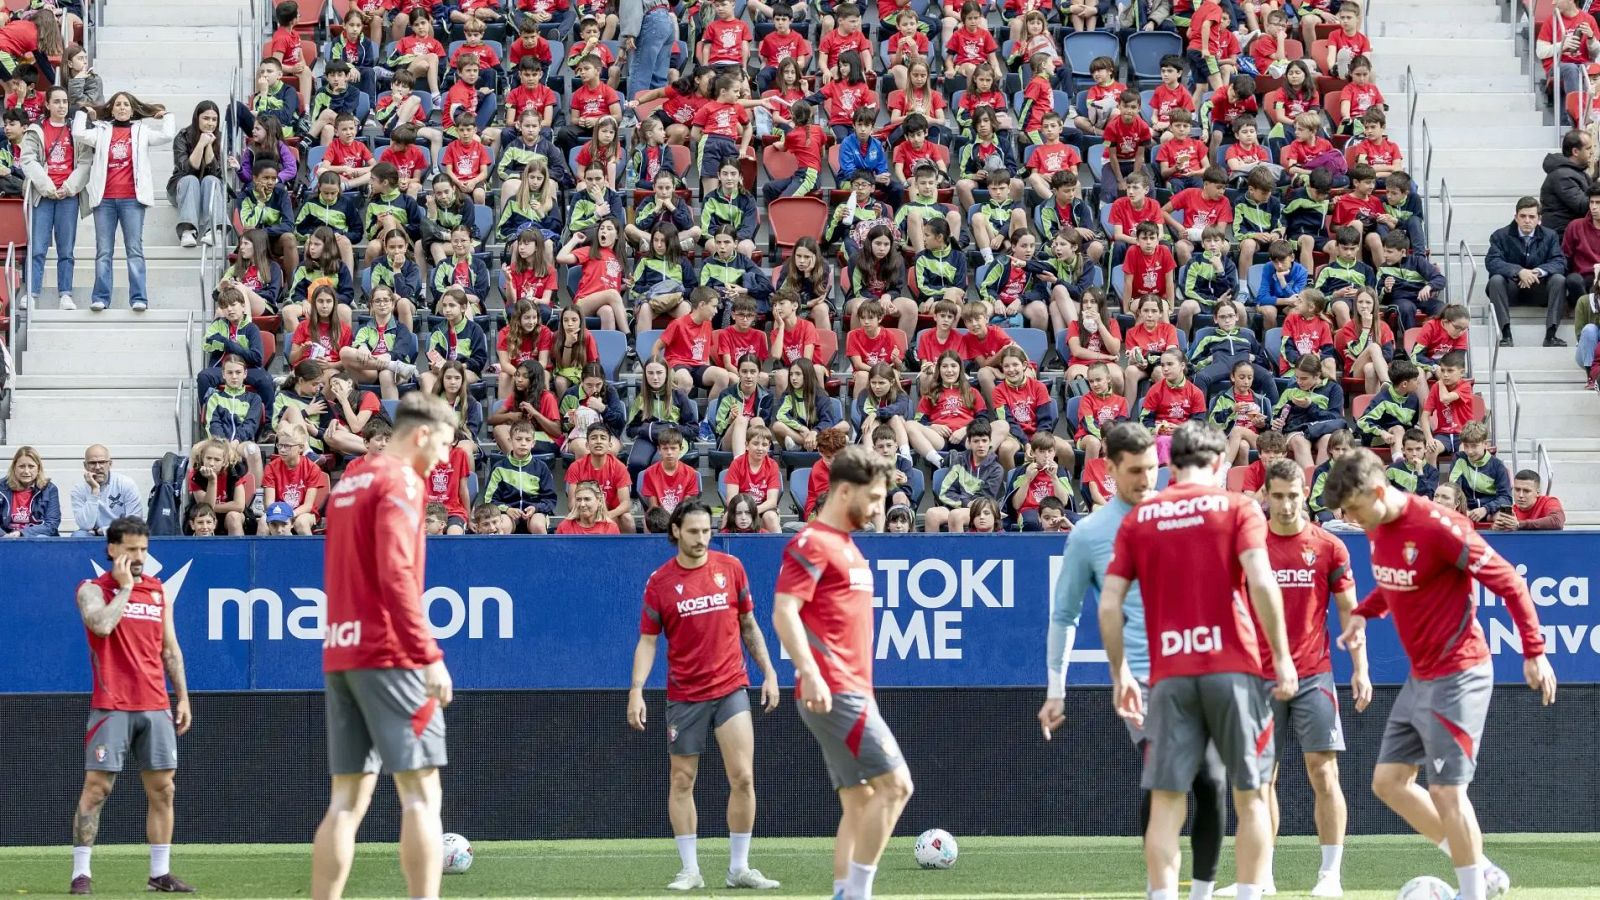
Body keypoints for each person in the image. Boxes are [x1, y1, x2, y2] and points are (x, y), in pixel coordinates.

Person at [1323, 450, 1557, 900]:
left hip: (1460, 672)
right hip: (1422, 677)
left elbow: (1509, 581)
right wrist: (1363, 615)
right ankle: (1481, 868)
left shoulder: (1438, 526)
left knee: (1447, 790)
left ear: (1378, 491)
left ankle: (1471, 892)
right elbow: (1397, 581)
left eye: (1354, 508)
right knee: (1389, 783)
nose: (1350, 519)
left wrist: (1535, 652)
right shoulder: (1377, 527)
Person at [1097, 421, 1297, 900]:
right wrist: (1283, 657)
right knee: (1251, 795)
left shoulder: (1140, 518)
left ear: (1170, 464)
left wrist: (1121, 673)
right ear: (1219, 463)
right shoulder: (1239, 507)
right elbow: (1262, 582)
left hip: (1169, 675)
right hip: (1234, 671)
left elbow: (1109, 605)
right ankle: (1249, 894)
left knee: (1167, 804)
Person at [1041, 422, 1230, 900]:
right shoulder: (1090, 535)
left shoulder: (1179, 514)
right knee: (1166, 779)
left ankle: (1201, 892)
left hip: (1198, 668)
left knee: (1211, 780)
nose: (1147, 480)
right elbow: (1064, 615)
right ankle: (1160, 889)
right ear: (1109, 468)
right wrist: (1056, 689)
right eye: (1135, 471)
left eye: (1153, 469)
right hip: (1141, 679)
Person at [311, 394, 458, 900]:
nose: (444, 458)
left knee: (345, 802)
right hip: (390, 654)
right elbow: (396, 574)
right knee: (421, 796)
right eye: (444, 445)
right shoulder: (402, 481)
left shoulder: (349, 481)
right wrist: (429, 655)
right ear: (422, 434)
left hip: (341, 650)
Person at [772, 446, 912, 900]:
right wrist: (809, 672)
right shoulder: (812, 543)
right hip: (834, 687)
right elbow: (784, 612)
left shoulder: (847, 546)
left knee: (860, 799)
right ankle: (857, 894)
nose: (877, 509)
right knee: (897, 786)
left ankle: (843, 891)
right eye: (873, 498)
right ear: (846, 491)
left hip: (851, 688)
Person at [628, 501, 782, 892]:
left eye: (706, 531)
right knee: (682, 780)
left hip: (731, 687)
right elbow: (648, 641)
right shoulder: (660, 582)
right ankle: (690, 870)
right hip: (685, 695)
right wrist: (636, 689)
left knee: (743, 777)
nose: (701, 539)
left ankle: (739, 868)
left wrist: (769, 672)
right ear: (676, 531)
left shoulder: (731, 568)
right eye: (693, 531)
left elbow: (749, 624)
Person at [1236, 459, 1371, 898]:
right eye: (1277, 496)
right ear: (1265, 496)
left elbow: (1350, 611)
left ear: (1305, 494)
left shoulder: (1330, 547)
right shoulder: (1248, 546)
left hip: (1314, 674)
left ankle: (1330, 875)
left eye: (1293, 495)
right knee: (1261, 779)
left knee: (1324, 772)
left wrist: (1361, 667)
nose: (1286, 504)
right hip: (1258, 677)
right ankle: (1262, 876)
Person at [70, 517, 193, 895]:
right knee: (97, 789)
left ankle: (159, 874)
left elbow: (170, 649)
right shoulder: (93, 589)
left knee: (163, 789)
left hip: (155, 703)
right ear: (112, 549)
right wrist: (125, 589)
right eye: (131, 549)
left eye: (143, 549)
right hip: (112, 705)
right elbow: (101, 626)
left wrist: (183, 697)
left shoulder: (158, 592)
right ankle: (81, 873)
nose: (139, 557)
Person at [75, 91, 175, 312]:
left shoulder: (142, 131)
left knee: (134, 250)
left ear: (132, 109)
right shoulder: (101, 130)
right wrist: (83, 112)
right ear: (111, 109)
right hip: (105, 200)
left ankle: (139, 298)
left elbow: (167, 135)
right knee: (103, 251)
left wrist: (167, 116)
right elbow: (79, 133)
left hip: (132, 200)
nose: (122, 107)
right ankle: (101, 298)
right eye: (118, 104)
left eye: (126, 104)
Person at [20, 85, 87, 310]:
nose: (62, 106)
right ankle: (32, 293)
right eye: (56, 101)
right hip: (43, 195)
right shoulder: (35, 130)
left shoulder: (76, 130)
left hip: (68, 195)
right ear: (47, 104)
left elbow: (85, 162)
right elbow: (28, 160)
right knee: (37, 247)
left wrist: (69, 187)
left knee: (66, 249)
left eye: (65, 101)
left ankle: (65, 294)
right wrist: (47, 186)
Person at [1484, 197, 1569, 347]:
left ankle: (1551, 335)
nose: (1527, 220)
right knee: (1496, 280)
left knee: (1559, 279)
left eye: (1531, 216)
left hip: (1539, 289)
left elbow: (1560, 262)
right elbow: (1492, 262)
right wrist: (1519, 271)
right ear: (1516, 217)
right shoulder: (1500, 235)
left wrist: (1537, 272)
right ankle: (1505, 334)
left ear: (1539, 219)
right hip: (1511, 291)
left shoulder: (1550, 236)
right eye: (1523, 216)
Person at [168, 100, 225, 248]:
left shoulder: (221, 138)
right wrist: (201, 144)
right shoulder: (183, 136)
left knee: (211, 180)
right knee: (191, 179)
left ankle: (214, 231)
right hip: (182, 189)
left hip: (208, 190)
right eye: (206, 118)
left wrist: (209, 146)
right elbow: (187, 169)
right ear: (196, 118)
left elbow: (216, 172)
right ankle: (188, 231)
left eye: (214, 119)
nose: (210, 123)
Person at [70, 445, 143, 537]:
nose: (97, 467)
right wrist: (94, 491)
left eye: (102, 462)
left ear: (110, 464)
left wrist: (103, 531)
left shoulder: (126, 484)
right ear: (85, 466)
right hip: (92, 535)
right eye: (92, 463)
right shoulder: (78, 489)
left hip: (121, 534)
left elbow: (135, 523)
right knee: (78, 536)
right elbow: (85, 525)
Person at [1, 446, 61, 537]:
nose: (26, 471)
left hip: (36, 536)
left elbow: (52, 524)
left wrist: (21, 533)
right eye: (21, 466)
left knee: (41, 538)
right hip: (6, 536)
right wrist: (4, 536)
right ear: (14, 468)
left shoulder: (49, 489)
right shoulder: (1, 488)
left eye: (31, 466)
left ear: (38, 468)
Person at [1498, 469, 1567, 531]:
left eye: (1526, 491)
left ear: (1538, 492)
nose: (1521, 495)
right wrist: (1496, 530)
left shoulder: (1549, 502)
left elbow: (1557, 521)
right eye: (1517, 490)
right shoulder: (1510, 511)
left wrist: (1519, 525)